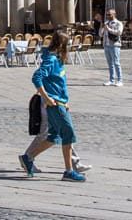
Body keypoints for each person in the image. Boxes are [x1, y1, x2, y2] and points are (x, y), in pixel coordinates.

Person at [19, 32, 84, 182]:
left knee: (54, 136)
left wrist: (65, 100)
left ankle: (28, 157)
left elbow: (59, 83)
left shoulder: (58, 60)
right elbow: (36, 77)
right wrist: (46, 97)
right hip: (55, 104)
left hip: (61, 102)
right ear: (62, 45)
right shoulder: (51, 60)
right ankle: (69, 171)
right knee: (68, 134)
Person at [101, 8, 124, 86]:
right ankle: (111, 80)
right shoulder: (106, 23)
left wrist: (109, 29)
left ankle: (120, 80)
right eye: (107, 14)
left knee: (116, 63)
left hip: (115, 45)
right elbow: (100, 34)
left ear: (114, 14)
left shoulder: (118, 23)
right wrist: (102, 29)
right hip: (106, 45)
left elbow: (119, 32)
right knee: (110, 63)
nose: (107, 16)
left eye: (109, 14)